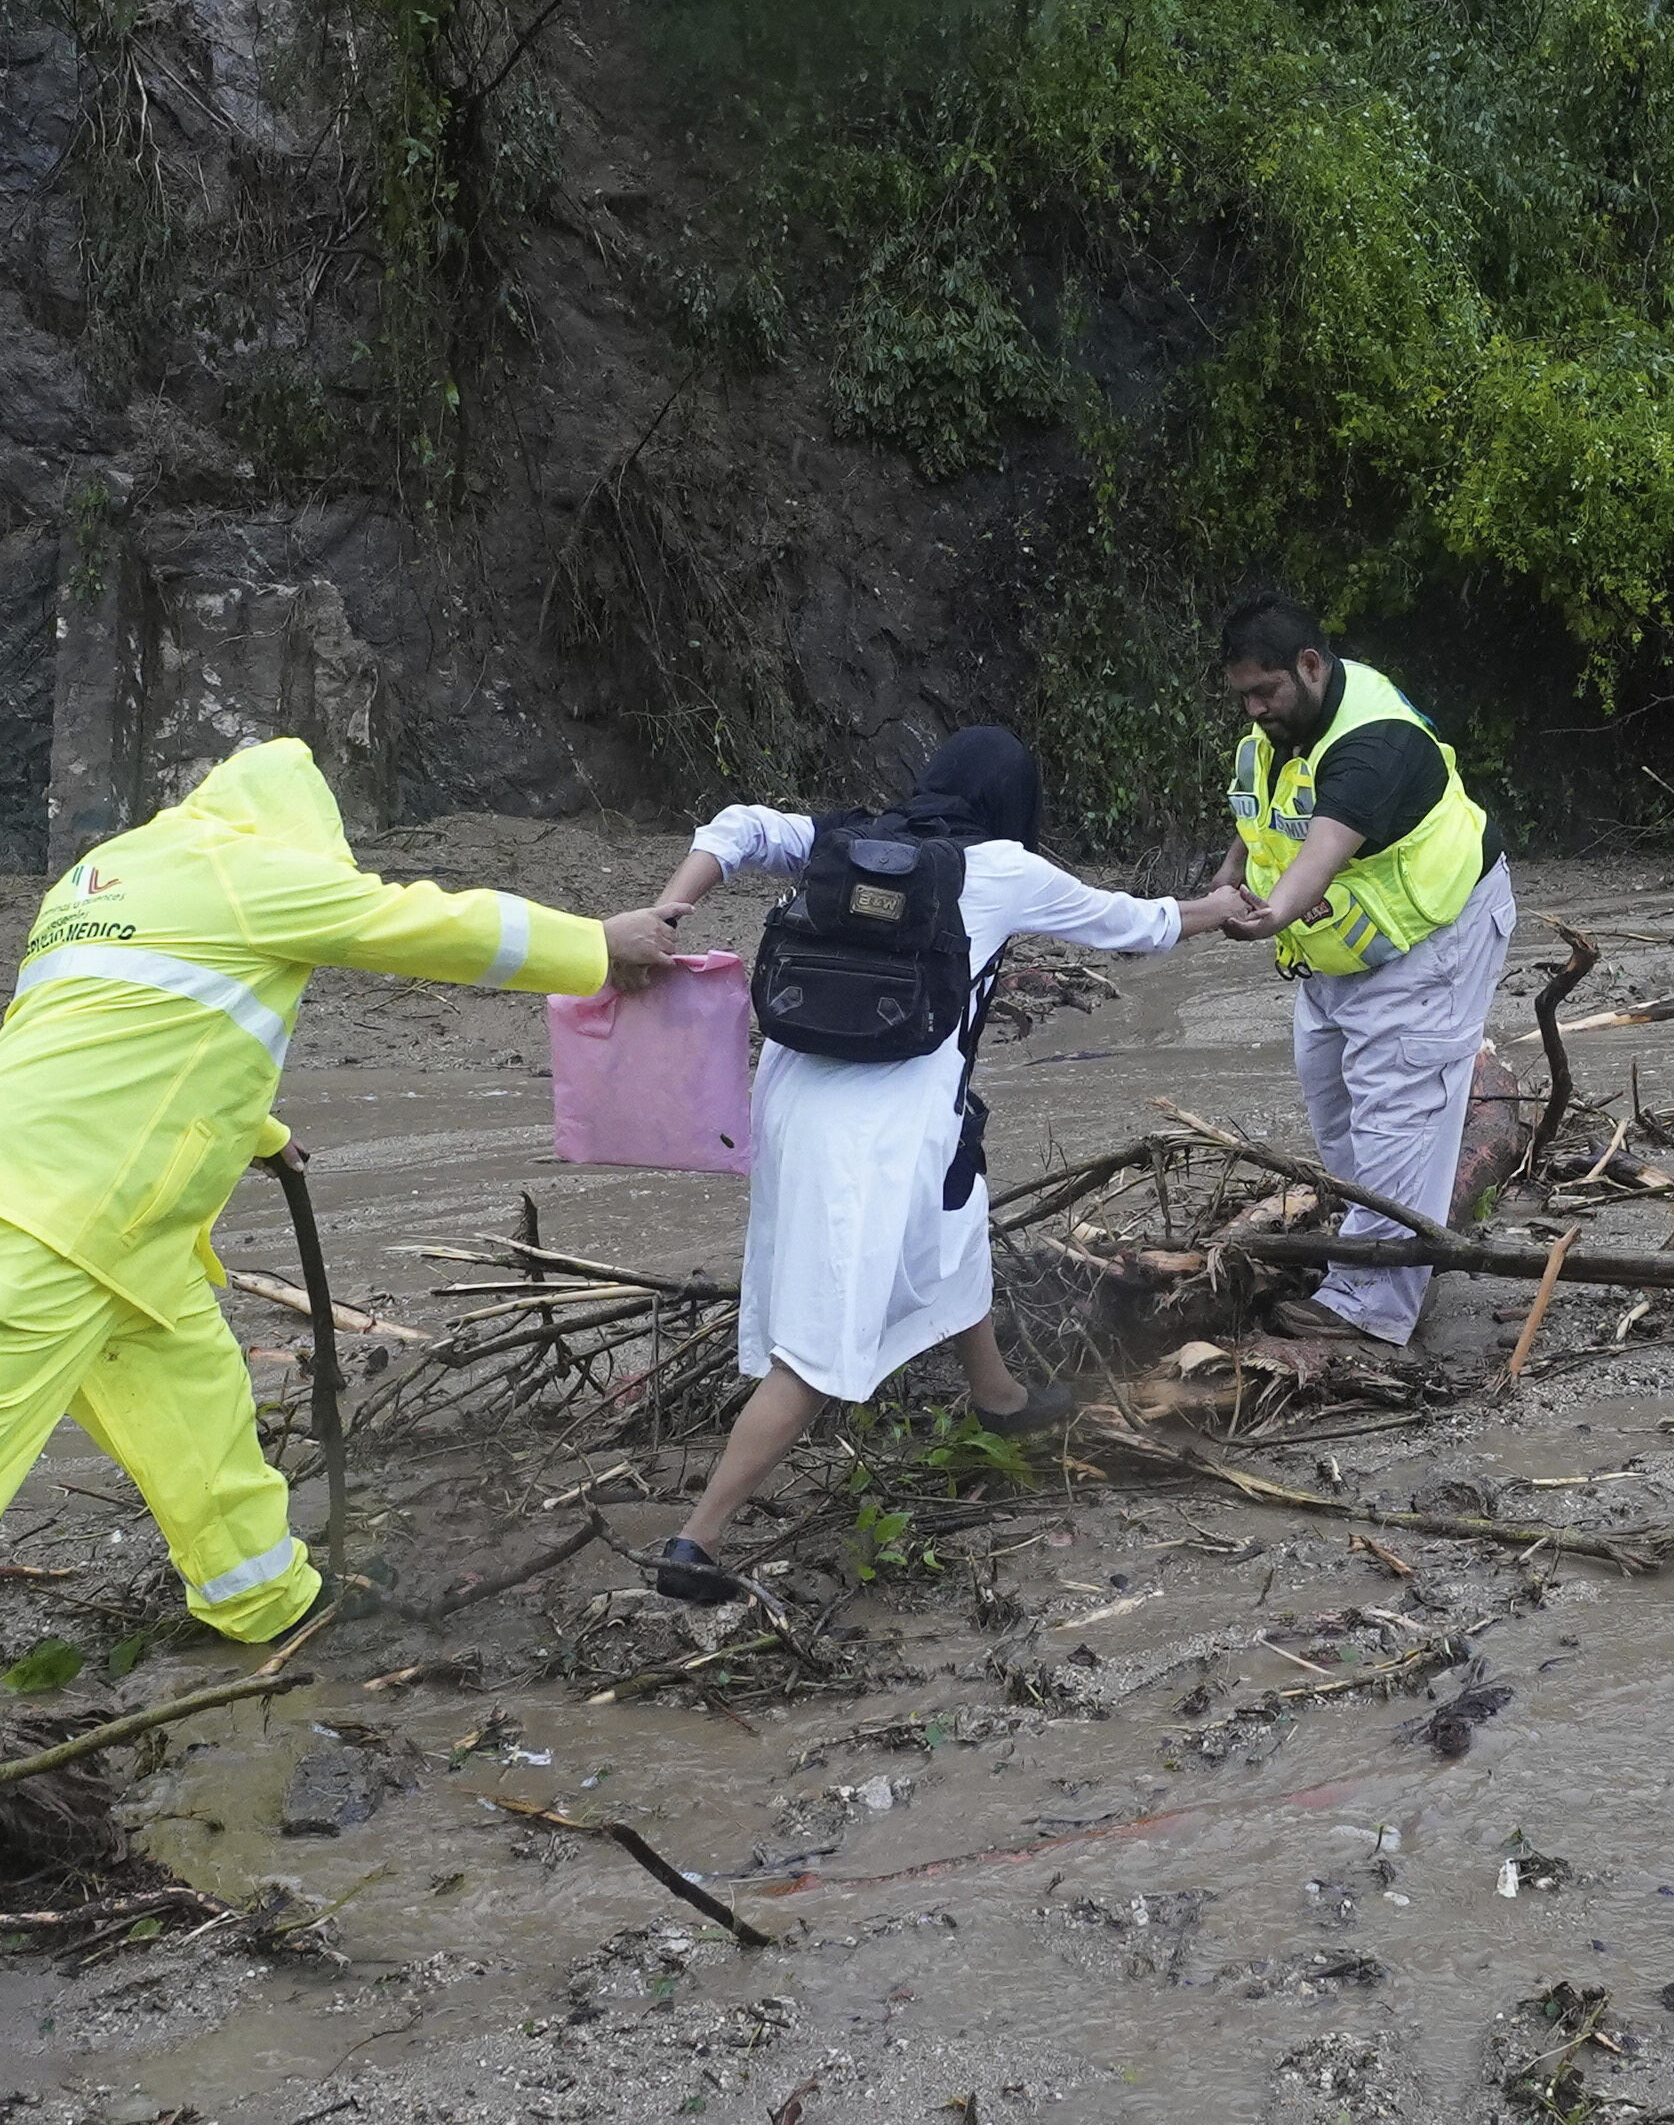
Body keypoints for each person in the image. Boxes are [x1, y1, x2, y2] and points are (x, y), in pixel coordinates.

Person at [0, 738, 672, 1800]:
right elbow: (421, 922)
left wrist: (258, 1128)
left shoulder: (106, 875)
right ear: (302, 826)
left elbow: (139, 1034)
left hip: (92, 1213)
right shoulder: (247, 870)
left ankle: (262, 1601)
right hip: (52, 1220)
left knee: (196, 1409)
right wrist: (596, 944)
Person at [627, 727, 1253, 1602]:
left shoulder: (847, 836)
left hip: (795, 1095)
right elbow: (1133, 926)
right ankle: (695, 1543)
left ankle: (996, 1394)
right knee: (822, 1341)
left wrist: (669, 908)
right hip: (879, 1127)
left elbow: (736, 825)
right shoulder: (999, 868)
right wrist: (1219, 909)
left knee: (954, 1220)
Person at [1204, 594, 1514, 1343]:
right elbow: (1262, 820)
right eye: (1240, 695)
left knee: (1396, 1112)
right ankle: (1376, 1248)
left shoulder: (1372, 740)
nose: (1252, 709)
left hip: (1432, 937)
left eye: (1263, 692)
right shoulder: (1279, 727)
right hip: (1342, 949)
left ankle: (1371, 1309)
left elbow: (1321, 849)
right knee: (1334, 1103)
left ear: (1309, 666)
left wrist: (1266, 916)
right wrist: (1225, 879)